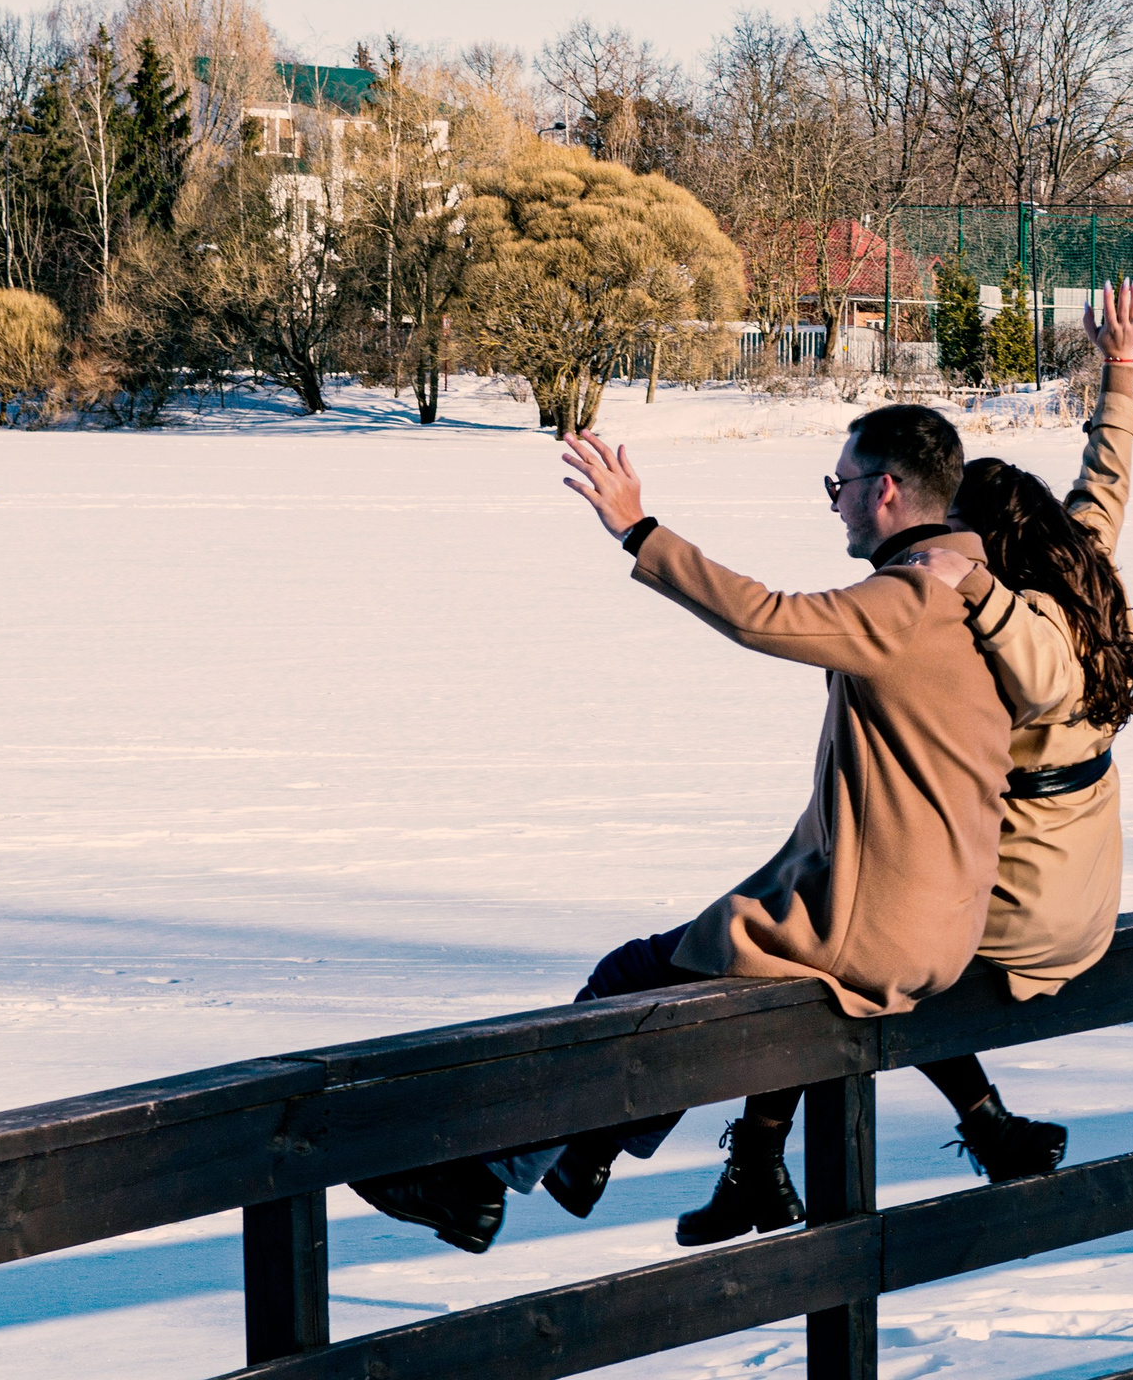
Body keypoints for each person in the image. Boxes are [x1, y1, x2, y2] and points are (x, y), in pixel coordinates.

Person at [350, 405, 1013, 1254]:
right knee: (672, 980)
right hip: (939, 919)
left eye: (839, 485)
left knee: (633, 980)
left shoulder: (909, 598)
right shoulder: (983, 592)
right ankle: (574, 1160)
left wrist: (638, 530)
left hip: (869, 926)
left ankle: (487, 1181)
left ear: (886, 491)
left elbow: (765, 615)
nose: (834, 503)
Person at [890, 275, 1133, 1184]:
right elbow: (1108, 475)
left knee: (858, 965)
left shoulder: (1017, 619)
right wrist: (1119, 367)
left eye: (955, 532)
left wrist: (958, 583)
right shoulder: (1081, 565)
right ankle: (763, 1161)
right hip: (1087, 891)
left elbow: (1041, 670)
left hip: (1029, 905)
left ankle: (985, 1122)